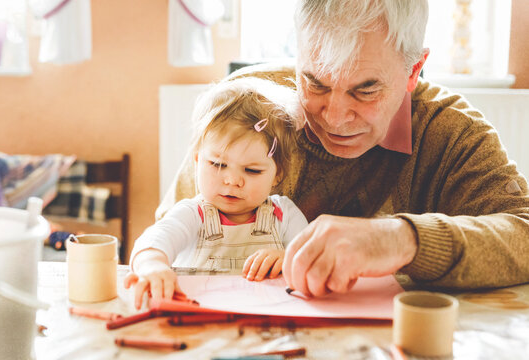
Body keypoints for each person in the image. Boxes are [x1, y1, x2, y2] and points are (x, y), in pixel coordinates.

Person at [158, 0, 529, 297]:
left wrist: (404, 240)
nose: (334, 118)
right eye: (314, 82)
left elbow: (523, 233)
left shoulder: (452, 133)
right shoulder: (246, 105)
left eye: (365, 90)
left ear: (414, 69)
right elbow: (170, 231)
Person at [125, 77, 308, 309]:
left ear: (278, 174)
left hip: (264, 322)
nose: (232, 180)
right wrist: (153, 266)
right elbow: (153, 241)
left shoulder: (285, 215)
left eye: (252, 170)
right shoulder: (193, 214)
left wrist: (289, 259)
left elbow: (312, 260)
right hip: (199, 318)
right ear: (197, 160)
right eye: (217, 165)